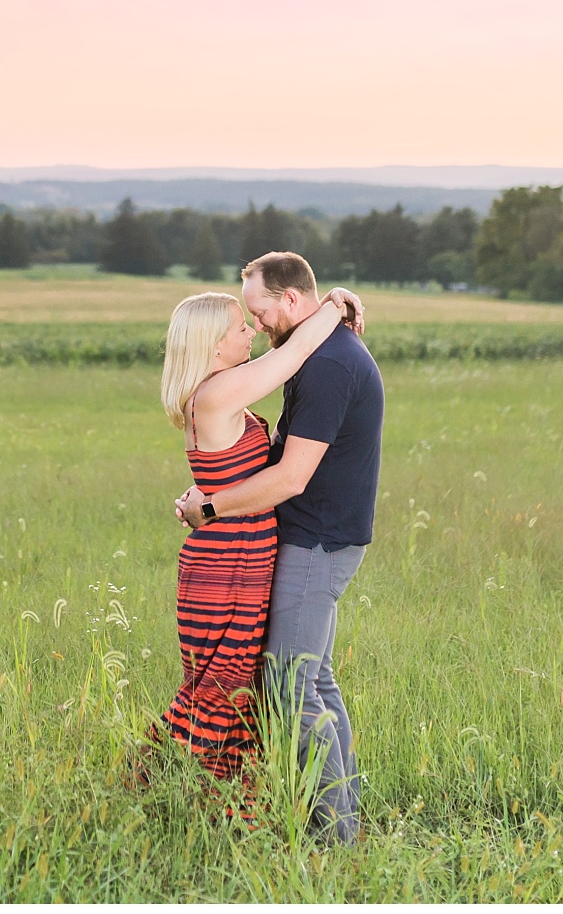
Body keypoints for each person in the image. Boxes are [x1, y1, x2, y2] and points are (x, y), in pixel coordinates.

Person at [174, 251, 384, 845]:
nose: (255, 327)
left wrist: (209, 505)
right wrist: (337, 301)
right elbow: (282, 362)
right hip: (290, 541)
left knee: (293, 684)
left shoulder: (327, 365)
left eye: (257, 313)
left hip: (316, 541)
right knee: (311, 682)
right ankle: (340, 827)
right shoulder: (311, 355)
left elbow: (290, 477)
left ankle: (333, 836)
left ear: (290, 301)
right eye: (243, 323)